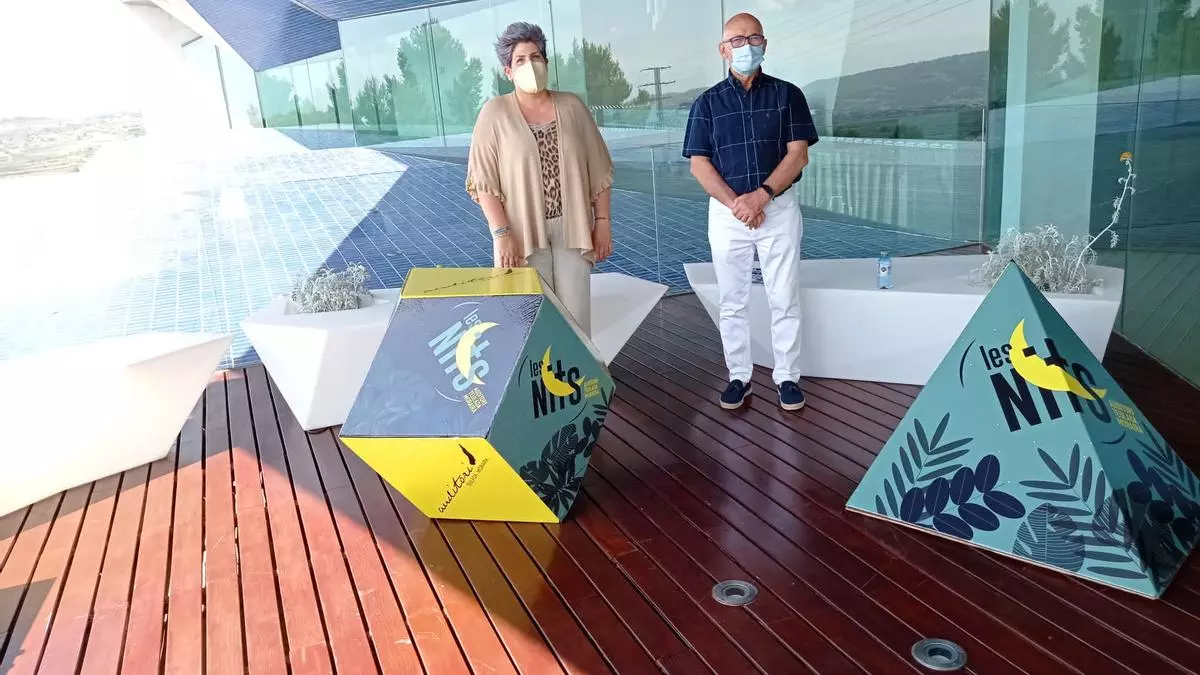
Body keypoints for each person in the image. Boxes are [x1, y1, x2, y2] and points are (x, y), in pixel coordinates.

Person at [682, 12, 819, 411]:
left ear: (765, 44)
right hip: (728, 215)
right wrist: (738, 205)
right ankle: (739, 376)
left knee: (784, 297)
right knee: (732, 301)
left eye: (754, 38)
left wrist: (761, 196)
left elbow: (798, 155)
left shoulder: (788, 95)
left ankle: (788, 377)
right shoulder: (706, 103)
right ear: (723, 49)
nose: (747, 46)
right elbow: (699, 165)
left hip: (777, 209)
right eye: (737, 40)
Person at [465, 21, 614, 337]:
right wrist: (501, 234)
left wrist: (602, 221)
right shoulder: (494, 113)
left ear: (546, 62)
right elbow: (483, 180)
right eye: (520, 60)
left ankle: (577, 371)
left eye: (535, 56)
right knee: (532, 323)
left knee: (576, 322)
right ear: (508, 71)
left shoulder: (572, 106)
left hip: (572, 227)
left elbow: (599, 168)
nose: (530, 65)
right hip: (521, 233)